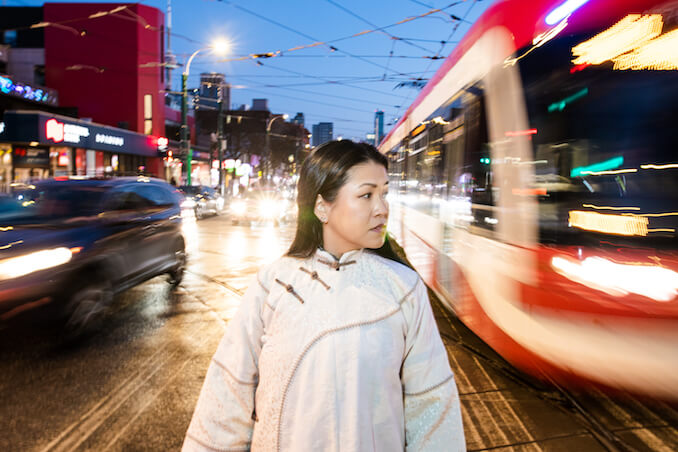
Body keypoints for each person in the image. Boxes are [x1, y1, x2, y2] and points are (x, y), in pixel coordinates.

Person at [183, 140, 465, 451]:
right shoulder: (273, 283)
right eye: (366, 195)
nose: (382, 208)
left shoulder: (404, 287)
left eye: (385, 194)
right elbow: (227, 395)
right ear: (322, 207)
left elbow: (432, 404)